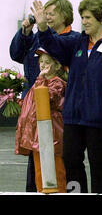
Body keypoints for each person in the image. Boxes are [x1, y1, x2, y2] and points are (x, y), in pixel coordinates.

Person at [34, 0, 102, 193]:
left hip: (98, 118)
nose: (84, 22)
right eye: (83, 17)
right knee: (71, 161)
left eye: (88, 18)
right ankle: (76, 195)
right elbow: (52, 46)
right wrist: (43, 27)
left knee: (97, 164)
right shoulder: (77, 42)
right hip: (73, 116)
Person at [9, 0, 79, 192]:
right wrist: (24, 32)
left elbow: (56, 45)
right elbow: (16, 53)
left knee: (58, 161)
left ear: (64, 16)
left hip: (57, 110)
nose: (45, 17)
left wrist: (41, 29)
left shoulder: (72, 38)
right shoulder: (39, 38)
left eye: (50, 13)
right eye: (44, 13)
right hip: (35, 108)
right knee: (36, 161)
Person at [15, 48, 67, 193]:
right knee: (40, 173)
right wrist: (15, 100)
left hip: (51, 135)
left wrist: (41, 79)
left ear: (57, 66)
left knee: (55, 173)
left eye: (47, 62)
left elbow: (46, 97)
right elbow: (32, 104)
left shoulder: (57, 83)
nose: (43, 65)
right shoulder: (41, 81)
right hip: (37, 135)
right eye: (41, 62)